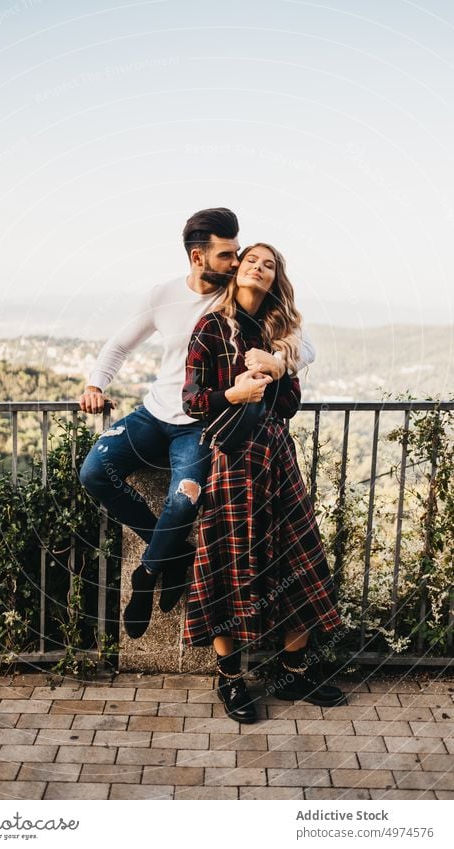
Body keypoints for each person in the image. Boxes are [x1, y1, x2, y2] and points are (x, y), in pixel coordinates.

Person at [79, 210, 315, 639]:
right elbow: (119, 345)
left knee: (184, 502)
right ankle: (172, 554)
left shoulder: (241, 294)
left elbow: (305, 345)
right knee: (95, 473)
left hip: (200, 424)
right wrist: (96, 384)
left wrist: (279, 362)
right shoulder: (163, 295)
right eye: (228, 254)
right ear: (197, 257)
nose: (238, 259)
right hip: (153, 413)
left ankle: (147, 573)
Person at [182, 242, 346, 721]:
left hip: (276, 456)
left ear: (276, 279)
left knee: (296, 558)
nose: (259, 267)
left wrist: (277, 369)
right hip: (232, 459)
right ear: (236, 270)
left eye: (269, 265)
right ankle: (230, 678)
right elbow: (193, 400)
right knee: (225, 562)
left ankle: (294, 673)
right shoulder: (210, 327)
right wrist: (235, 390)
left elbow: (290, 403)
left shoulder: (281, 332)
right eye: (252, 260)